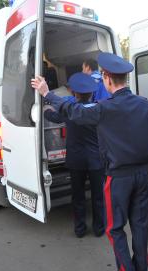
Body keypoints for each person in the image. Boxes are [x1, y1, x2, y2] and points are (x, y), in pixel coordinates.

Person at [31, 52, 148, 271]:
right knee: (140, 225)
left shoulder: (105, 108)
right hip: (141, 174)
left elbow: (73, 111)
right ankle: (140, 270)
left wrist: (47, 93)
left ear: (108, 78)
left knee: (115, 228)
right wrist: (146, 170)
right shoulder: (144, 105)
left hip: (119, 177)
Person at [44, 73, 105, 238]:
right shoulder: (100, 110)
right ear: (92, 93)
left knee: (77, 196)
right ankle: (99, 229)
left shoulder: (70, 110)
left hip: (76, 161)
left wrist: (45, 111)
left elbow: (53, 117)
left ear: (74, 94)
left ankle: (80, 229)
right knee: (98, 196)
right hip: (96, 161)